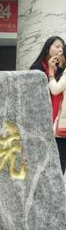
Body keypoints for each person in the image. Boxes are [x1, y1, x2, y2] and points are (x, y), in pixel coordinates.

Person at [30, 36, 66, 172]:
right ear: (47, 48)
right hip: (43, 114)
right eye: (57, 46)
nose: (60, 50)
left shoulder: (60, 68)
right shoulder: (37, 67)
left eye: (62, 47)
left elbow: (57, 89)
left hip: (58, 115)